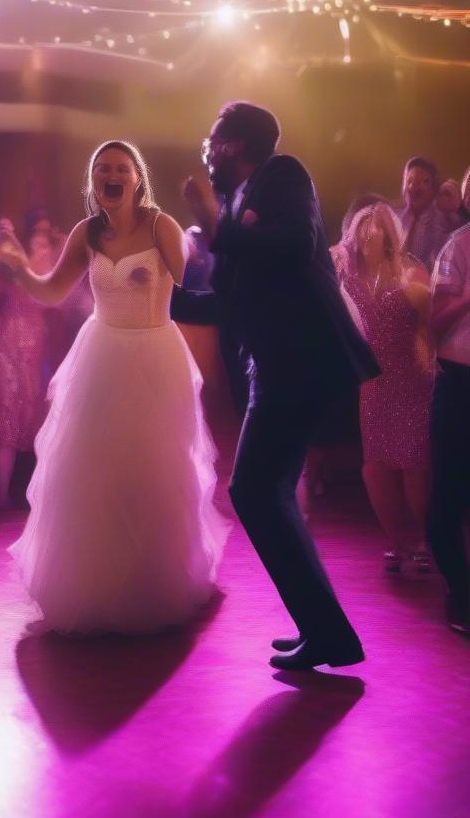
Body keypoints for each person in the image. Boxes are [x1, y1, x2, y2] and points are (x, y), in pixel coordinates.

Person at [171, 101, 379, 671]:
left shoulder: (284, 176)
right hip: (276, 362)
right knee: (266, 491)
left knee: (256, 490)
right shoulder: (238, 202)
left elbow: (292, 245)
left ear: (234, 145)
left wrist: (219, 227)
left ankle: (328, 632)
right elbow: (229, 301)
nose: (205, 148)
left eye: (212, 138)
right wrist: (156, 300)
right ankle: (325, 632)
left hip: (301, 358)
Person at [0, 141, 229, 634]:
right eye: (103, 169)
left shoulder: (161, 226)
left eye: (122, 168)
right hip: (100, 356)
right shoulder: (87, 232)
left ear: (137, 179)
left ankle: (154, 582)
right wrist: (19, 268)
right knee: (94, 472)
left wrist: (159, 280)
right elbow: (52, 290)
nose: (112, 175)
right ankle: (96, 586)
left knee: (153, 471)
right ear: (94, 182)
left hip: (154, 353)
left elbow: (192, 290)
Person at [337, 204, 433, 572]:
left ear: (388, 233)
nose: (366, 232)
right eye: (361, 225)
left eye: (374, 226)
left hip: (410, 379)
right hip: (372, 383)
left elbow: (428, 322)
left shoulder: (409, 270)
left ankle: (427, 537)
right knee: (375, 469)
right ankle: (397, 542)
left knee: (414, 466)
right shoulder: (347, 275)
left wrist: (428, 348)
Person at [0, 228, 54, 522]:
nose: (44, 249)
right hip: (10, 350)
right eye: (39, 243)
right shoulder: (22, 268)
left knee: (6, 428)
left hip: (26, 354)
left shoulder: (37, 271)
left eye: (46, 244)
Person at [428, 180, 470, 634]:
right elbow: (433, 325)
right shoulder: (458, 248)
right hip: (460, 382)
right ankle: (461, 593)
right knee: (449, 497)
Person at [397, 156, 460, 270]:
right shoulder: (397, 218)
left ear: (433, 188)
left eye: (424, 182)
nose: (414, 186)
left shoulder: (443, 224)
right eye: (409, 180)